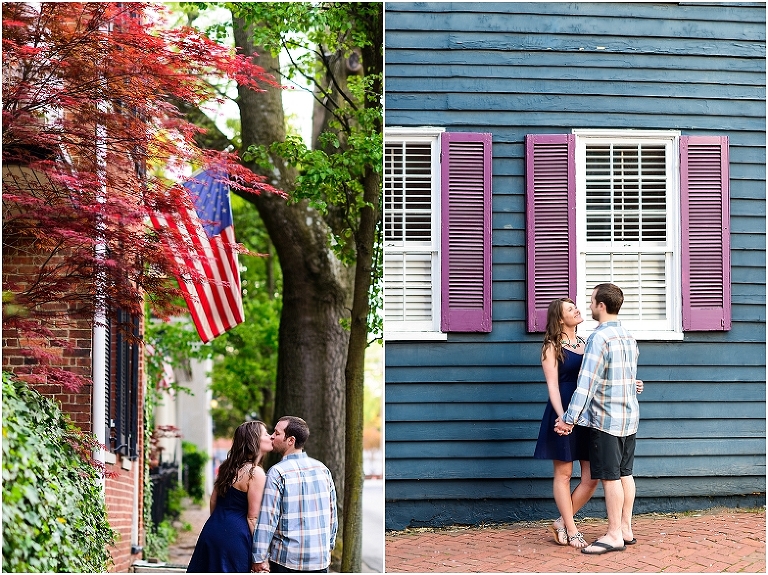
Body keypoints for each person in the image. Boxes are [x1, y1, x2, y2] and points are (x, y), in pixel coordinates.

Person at [556, 283, 640, 555]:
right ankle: (626, 528)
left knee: (610, 477)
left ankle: (614, 534)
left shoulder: (598, 338)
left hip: (606, 419)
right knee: (626, 474)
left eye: (591, 301)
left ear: (601, 306)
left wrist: (569, 418)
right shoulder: (628, 336)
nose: (589, 306)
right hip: (630, 419)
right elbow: (627, 379)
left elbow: (586, 384)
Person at [533, 298, 598, 549]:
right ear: (560, 319)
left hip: (587, 414)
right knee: (564, 473)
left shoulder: (587, 342)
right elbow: (552, 386)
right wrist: (564, 417)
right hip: (562, 412)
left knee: (591, 476)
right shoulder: (551, 347)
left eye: (576, 306)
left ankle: (561, 522)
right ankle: (572, 529)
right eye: (571, 309)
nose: (577, 310)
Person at [251, 416, 338, 574]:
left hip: (287, 562)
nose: (272, 436)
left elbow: (267, 520)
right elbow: (333, 515)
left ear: (290, 440)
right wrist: (328, 546)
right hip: (320, 560)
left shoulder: (277, 473)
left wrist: (258, 557)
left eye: (277, 433)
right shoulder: (323, 470)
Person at [188, 420, 273, 572]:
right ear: (254, 440)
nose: (271, 437)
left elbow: (214, 499)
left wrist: (219, 523)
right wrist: (261, 556)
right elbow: (253, 517)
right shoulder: (255, 473)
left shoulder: (227, 467)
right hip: (235, 538)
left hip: (212, 530)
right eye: (266, 434)